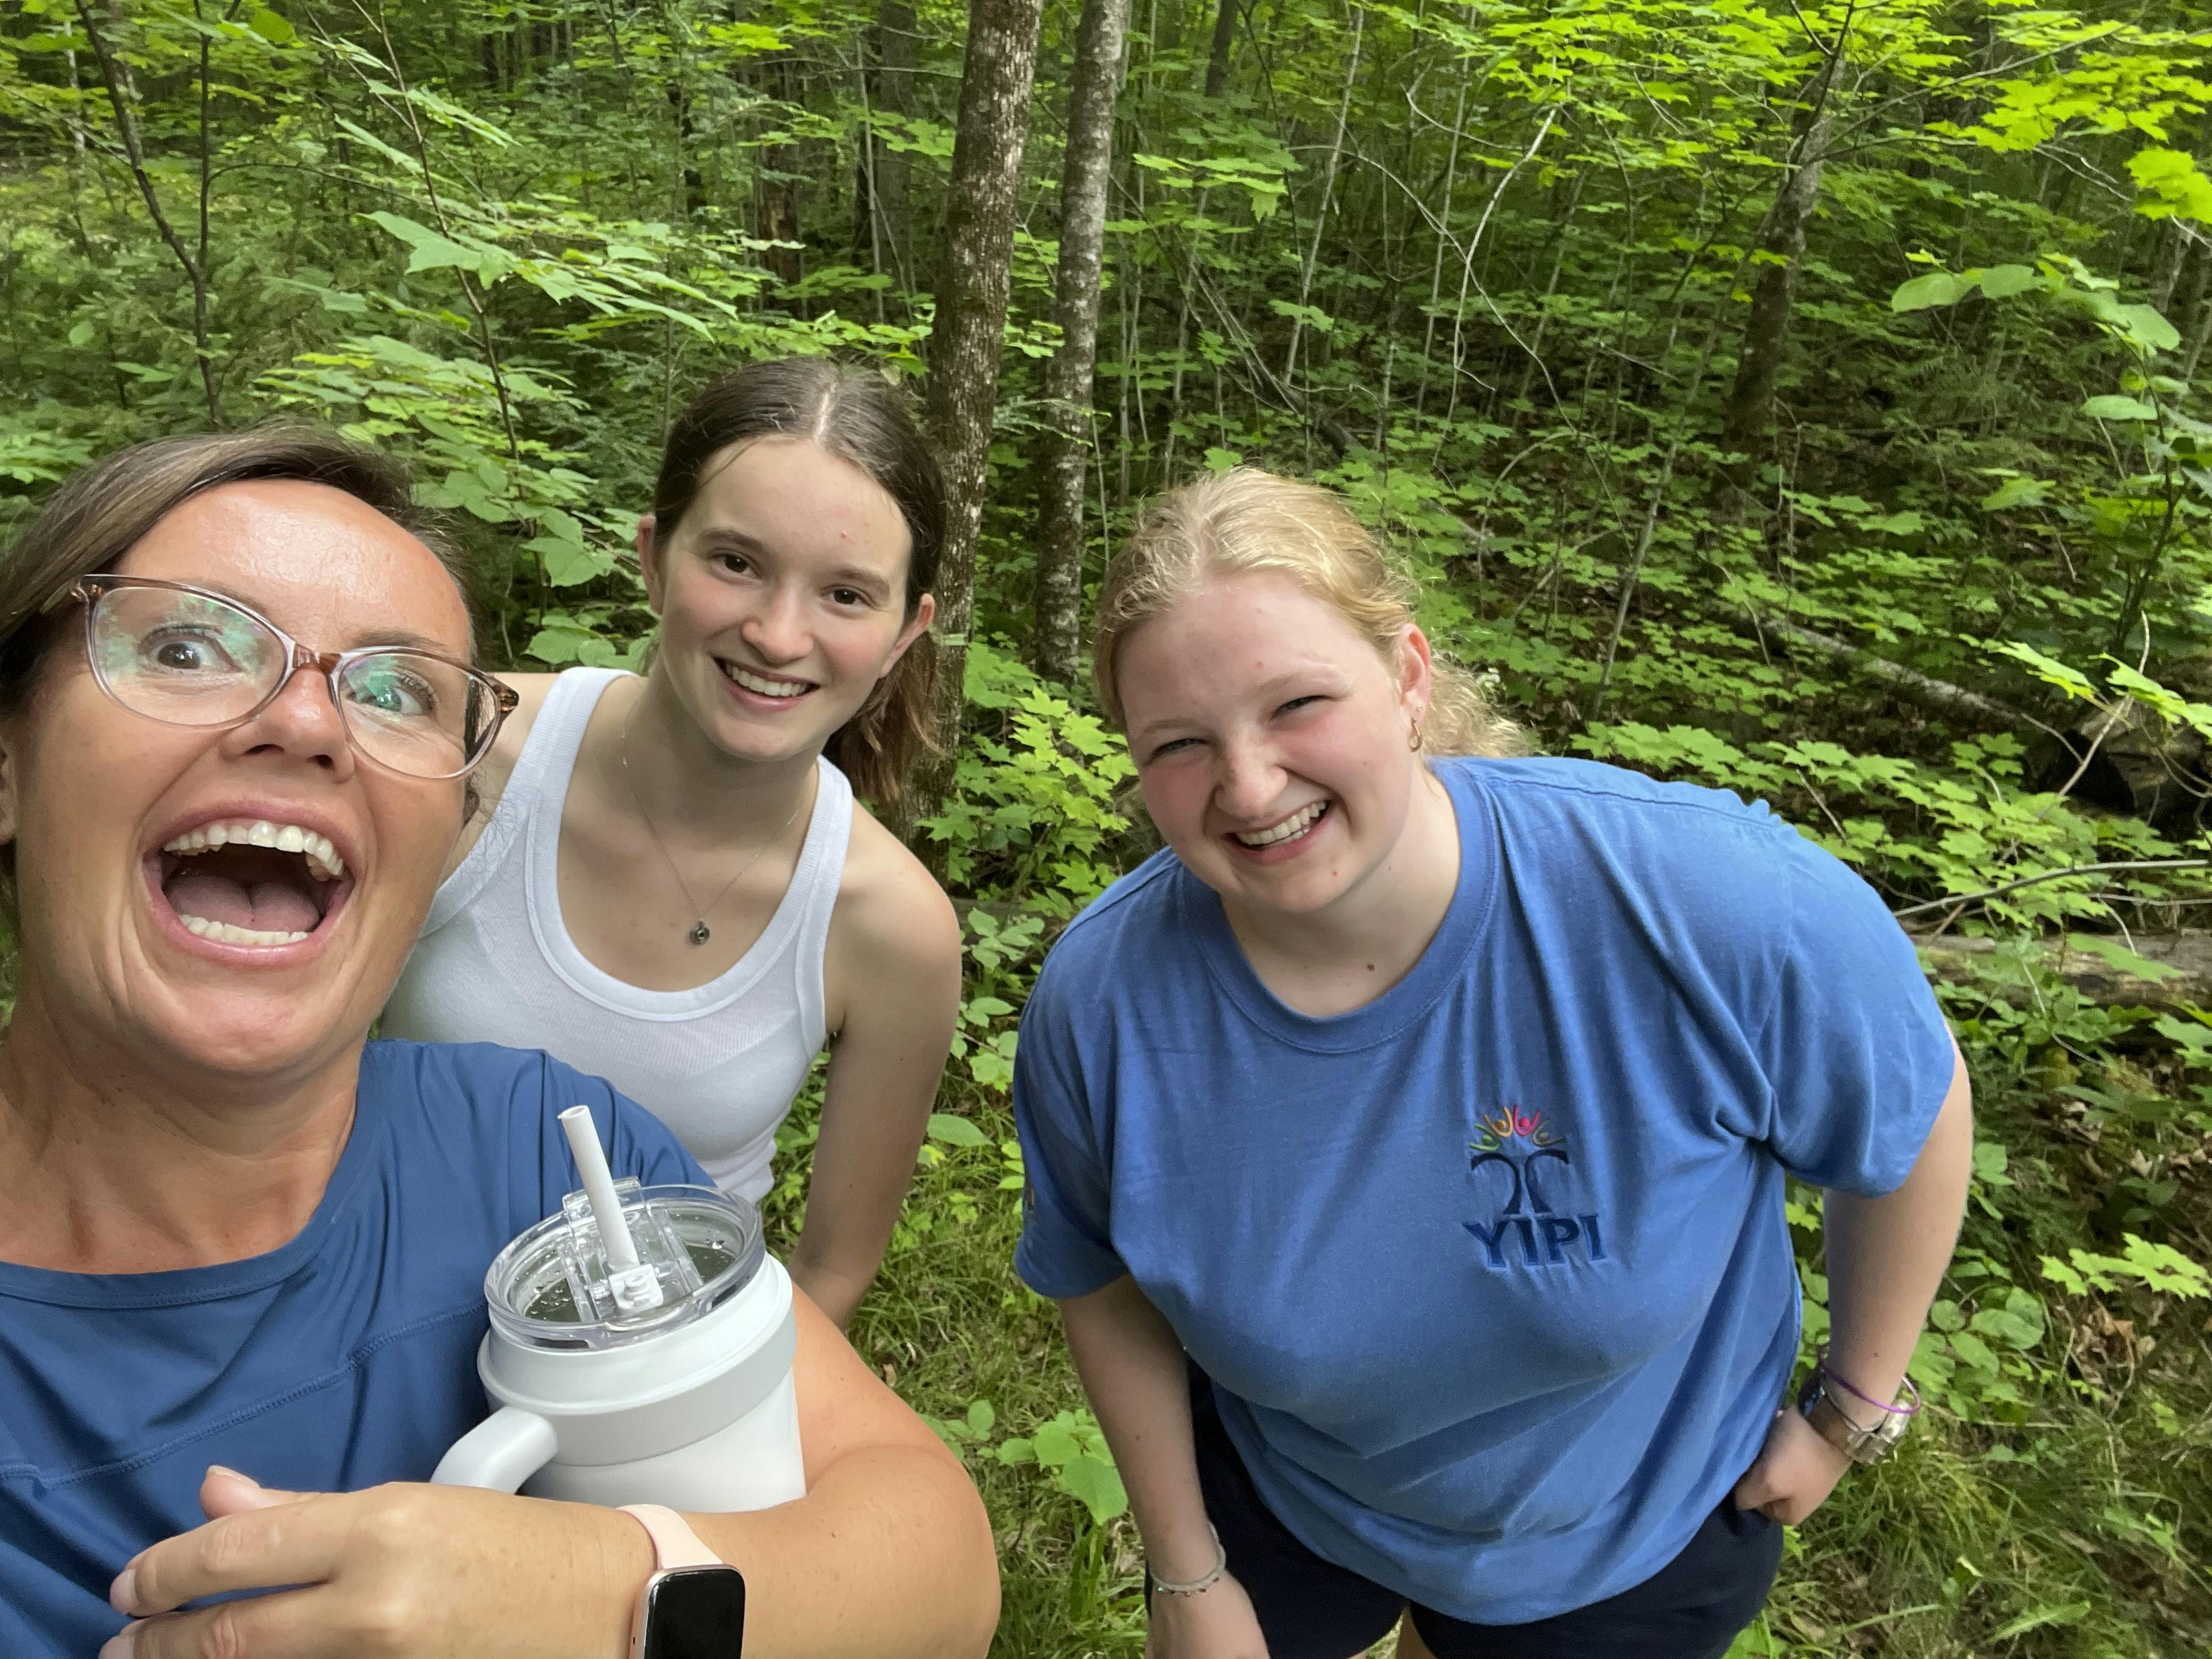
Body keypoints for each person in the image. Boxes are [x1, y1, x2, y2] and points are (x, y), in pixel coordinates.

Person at [0, 430, 998, 1658]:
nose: (310, 724)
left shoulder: (551, 1153)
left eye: (390, 690)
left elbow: (934, 1551)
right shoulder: (522, 748)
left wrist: (605, 1582)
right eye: (190, 647)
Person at [1011, 467, 1973, 1659]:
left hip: (1634, 1527)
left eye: (1299, 703)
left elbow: (1914, 1109)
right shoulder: (1104, 1004)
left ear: (1410, 678)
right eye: (1179, 743)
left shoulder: (1706, 905)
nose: (1250, 786)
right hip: (1286, 1491)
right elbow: (1099, 1278)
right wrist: (1188, 1574)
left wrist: (1852, 1408)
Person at [383, 357, 961, 1330]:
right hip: (369, 1325)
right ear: (654, 559)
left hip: (649, 1395)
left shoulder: (889, 926)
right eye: (735, 562)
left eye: (848, 596)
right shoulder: (467, 753)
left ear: (907, 632)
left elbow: (830, 1271)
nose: (779, 635)